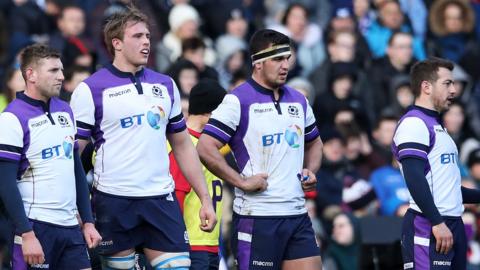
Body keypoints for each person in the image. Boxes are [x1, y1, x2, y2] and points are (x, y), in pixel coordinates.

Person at [69, 6, 216, 270]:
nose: (146, 42)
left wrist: (205, 198)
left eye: (148, 36)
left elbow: (182, 145)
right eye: (137, 36)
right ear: (117, 44)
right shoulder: (90, 89)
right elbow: (72, 154)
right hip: (113, 201)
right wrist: (75, 205)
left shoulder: (165, 85)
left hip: (160, 199)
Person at [197, 29, 323, 270]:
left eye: (287, 58)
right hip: (257, 217)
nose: (285, 65)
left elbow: (315, 142)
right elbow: (205, 147)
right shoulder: (237, 101)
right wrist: (241, 182)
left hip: (297, 214)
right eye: (278, 59)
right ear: (257, 63)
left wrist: (311, 169)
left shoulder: (299, 100)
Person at [0, 44, 102, 269]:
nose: (61, 77)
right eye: (53, 71)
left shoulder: (66, 110)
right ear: (31, 74)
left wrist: (87, 222)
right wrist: (26, 234)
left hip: (69, 228)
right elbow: (5, 183)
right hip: (35, 228)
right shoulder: (11, 118)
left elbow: (75, 170)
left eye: (62, 70)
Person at [392, 57, 480, 269]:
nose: (454, 90)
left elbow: (448, 189)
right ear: (426, 87)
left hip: (452, 223)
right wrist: (437, 222)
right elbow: (415, 178)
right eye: (447, 83)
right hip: (428, 224)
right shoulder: (414, 123)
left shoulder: (437, 127)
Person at [169, 79, 227, 269]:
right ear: (210, 112)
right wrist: (176, 244)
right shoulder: (184, 147)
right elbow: (176, 195)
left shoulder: (210, 146)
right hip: (191, 244)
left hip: (210, 244)